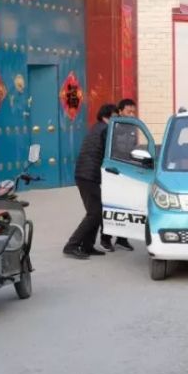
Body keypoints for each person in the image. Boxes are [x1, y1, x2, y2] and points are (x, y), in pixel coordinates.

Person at [64, 103, 118, 260]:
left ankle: (87, 246)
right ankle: (71, 245)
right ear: (106, 116)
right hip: (89, 176)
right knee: (94, 213)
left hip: (86, 175)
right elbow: (112, 152)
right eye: (114, 116)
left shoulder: (97, 127)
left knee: (97, 212)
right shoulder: (105, 129)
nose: (116, 120)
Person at [100, 98, 139, 252]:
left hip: (128, 171)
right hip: (114, 171)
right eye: (128, 111)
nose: (131, 114)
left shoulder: (133, 127)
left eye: (133, 112)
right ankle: (105, 238)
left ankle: (122, 239)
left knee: (127, 205)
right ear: (120, 111)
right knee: (112, 206)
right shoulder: (113, 127)